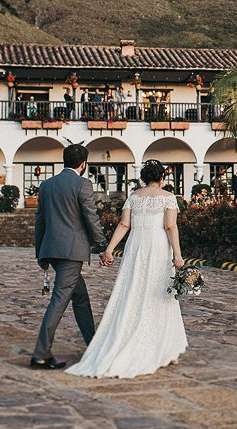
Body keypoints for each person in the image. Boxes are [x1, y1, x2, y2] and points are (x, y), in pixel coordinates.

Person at [66, 159, 188, 378]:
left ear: (143, 177)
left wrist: (109, 250)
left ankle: (144, 341)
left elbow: (124, 225)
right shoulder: (168, 197)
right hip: (158, 246)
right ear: (162, 178)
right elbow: (170, 226)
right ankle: (163, 347)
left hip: (136, 245)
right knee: (160, 292)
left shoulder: (134, 197)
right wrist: (178, 255)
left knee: (134, 288)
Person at [31, 144, 109, 370]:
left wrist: (41, 253)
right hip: (71, 252)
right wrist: (102, 244)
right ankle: (41, 353)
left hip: (52, 251)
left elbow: (39, 220)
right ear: (83, 164)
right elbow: (91, 217)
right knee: (59, 299)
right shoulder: (83, 184)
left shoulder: (47, 185)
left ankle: (93, 344)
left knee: (81, 297)